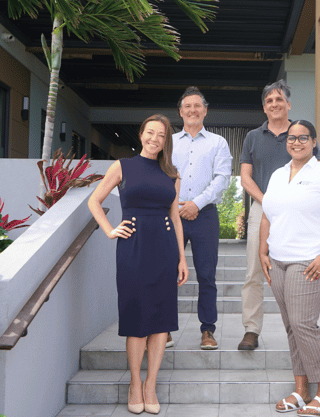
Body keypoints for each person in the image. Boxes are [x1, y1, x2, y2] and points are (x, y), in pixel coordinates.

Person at [87, 114, 188, 415]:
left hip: (165, 249)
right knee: (136, 317)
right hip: (133, 248)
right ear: (141, 134)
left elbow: (175, 216)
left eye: (161, 135)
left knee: (160, 320)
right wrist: (109, 230)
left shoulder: (172, 174)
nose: (155, 138)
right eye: (150, 132)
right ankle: (134, 382)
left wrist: (182, 258)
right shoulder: (122, 165)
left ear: (166, 140)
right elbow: (95, 200)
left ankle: (150, 385)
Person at [259, 120, 320, 416]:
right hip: (279, 261)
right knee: (291, 326)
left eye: (303, 138)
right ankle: (301, 389)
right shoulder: (277, 175)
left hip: (308, 261)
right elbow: (267, 215)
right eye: (292, 138)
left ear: (313, 141)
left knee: (302, 324)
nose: (296, 142)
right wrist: (263, 249)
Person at [238, 80, 320, 350]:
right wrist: (269, 201)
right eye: (269, 101)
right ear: (264, 107)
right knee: (254, 271)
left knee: (299, 270)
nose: (274, 104)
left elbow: (316, 170)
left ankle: (302, 326)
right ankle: (251, 329)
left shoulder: (301, 133)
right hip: (263, 208)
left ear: (288, 104)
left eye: (279, 99)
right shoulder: (252, 137)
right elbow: (245, 178)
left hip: (299, 210)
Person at [172, 86, 232, 350]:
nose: (192, 110)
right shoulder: (169, 142)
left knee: (207, 275)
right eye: (187, 106)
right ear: (181, 112)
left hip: (205, 215)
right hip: (172, 214)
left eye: (197, 106)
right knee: (166, 273)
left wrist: (196, 203)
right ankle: (164, 329)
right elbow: (161, 174)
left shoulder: (218, 142)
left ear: (205, 111)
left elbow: (222, 179)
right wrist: (176, 204)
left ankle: (208, 330)